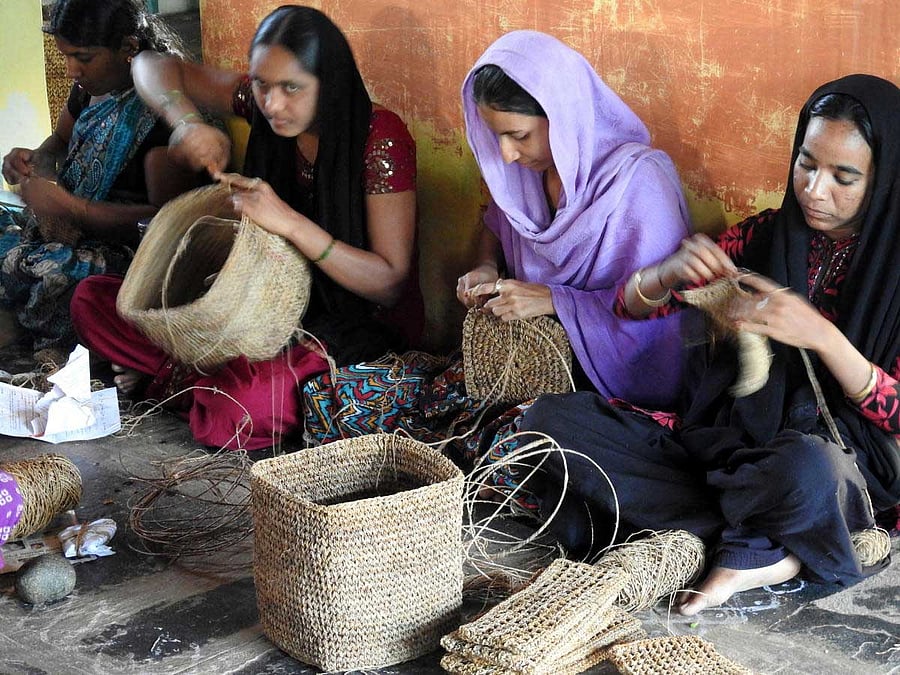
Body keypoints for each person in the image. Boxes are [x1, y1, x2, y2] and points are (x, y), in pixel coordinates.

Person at [516, 74, 900, 615]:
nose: (815, 189)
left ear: (884, 180)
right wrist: (666, 273)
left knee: (807, 471)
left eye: (844, 177)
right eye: (807, 163)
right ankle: (768, 544)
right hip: (722, 449)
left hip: (832, 462)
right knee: (549, 424)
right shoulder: (765, 237)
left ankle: (749, 533)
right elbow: (630, 308)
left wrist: (821, 336)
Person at [302, 31, 691, 503]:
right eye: (497, 136)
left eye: (519, 135)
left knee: (521, 453)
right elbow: (498, 225)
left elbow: (658, 327)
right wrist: (486, 268)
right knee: (339, 397)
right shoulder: (525, 176)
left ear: (563, 117)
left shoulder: (639, 184)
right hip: (521, 362)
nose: (507, 154)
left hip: (606, 388)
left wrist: (554, 299)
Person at [70, 5, 420, 451]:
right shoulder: (260, 104)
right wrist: (187, 122)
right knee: (92, 301)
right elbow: (149, 65)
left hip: (349, 332)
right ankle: (193, 381)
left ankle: (174, 380)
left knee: (234, 412)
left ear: (328, 83)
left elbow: (388, 283)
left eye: (292, 87)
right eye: (261, 84)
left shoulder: (378, 137)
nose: (272, 104)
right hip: (253, 306)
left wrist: (289, 222)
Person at [0, 0, 201, 354]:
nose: (71, 70)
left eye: (83, 57)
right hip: (75, 231)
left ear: (128, 47)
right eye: (65, 56)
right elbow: (60, 141)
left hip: (134, 254)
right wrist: (34, 160)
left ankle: (33, 336)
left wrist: (71, 208)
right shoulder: (90, 90)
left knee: (57, 277)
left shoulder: (160, 114)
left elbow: (164, 224)